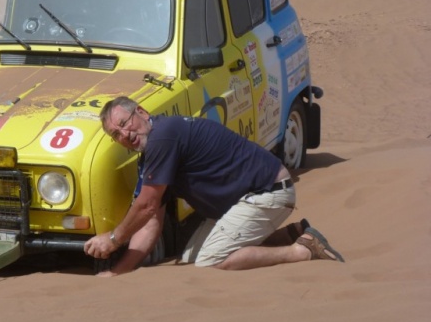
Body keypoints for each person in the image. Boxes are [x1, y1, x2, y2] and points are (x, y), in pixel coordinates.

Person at [84, 96, 344, 276]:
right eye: (115, 134)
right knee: (191, 258)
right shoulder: (154, 152)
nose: (125, 134)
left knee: (212, 260)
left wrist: (114, 239)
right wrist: (119, 272)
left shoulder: (163, 136)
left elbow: (146, 205)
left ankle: (302, 251)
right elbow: (151, 219)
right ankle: (291, 233)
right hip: (243, 202)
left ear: (141, 112)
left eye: (124, 123)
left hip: (267, 191)